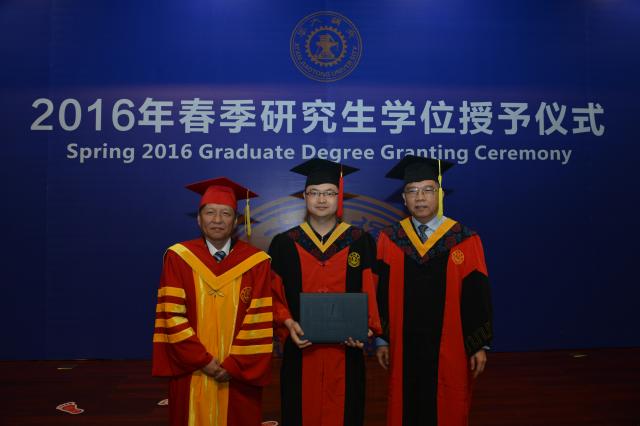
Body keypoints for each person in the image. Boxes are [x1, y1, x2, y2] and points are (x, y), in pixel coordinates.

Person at [375, 156, 493, 426]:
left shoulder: (464, 238)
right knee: (404, 403)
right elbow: (379, 291)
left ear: (440, 194)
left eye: (428, 189)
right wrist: (382, 339)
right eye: (412, 191)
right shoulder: (390, 239)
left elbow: (478, 295)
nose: (420, 197)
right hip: (403, 345)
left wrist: (478, 344)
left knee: (447, 403)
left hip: (451, 346)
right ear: (404, 199)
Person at [269, 158, 383, 426]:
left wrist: (366, 328)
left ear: (339, 197)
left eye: (330, 193)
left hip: (346, 352)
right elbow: (272, 295)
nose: (322, 199)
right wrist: (287, 322)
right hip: (300, 351)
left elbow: (373, 290)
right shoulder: (284, 244)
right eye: (314, 193)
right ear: (304, 196)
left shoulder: (360, 242)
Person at [152, 177, 273, 426]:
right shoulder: (178, 257)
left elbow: (259, 318)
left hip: (238, 373)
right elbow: (171, 315)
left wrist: (235, 365)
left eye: (225, 213)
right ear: (199, 219)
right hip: (191, 369)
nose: (217, 220)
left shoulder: (256, 262)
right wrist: (203, 361)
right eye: (210, 213)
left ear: (236, 220)